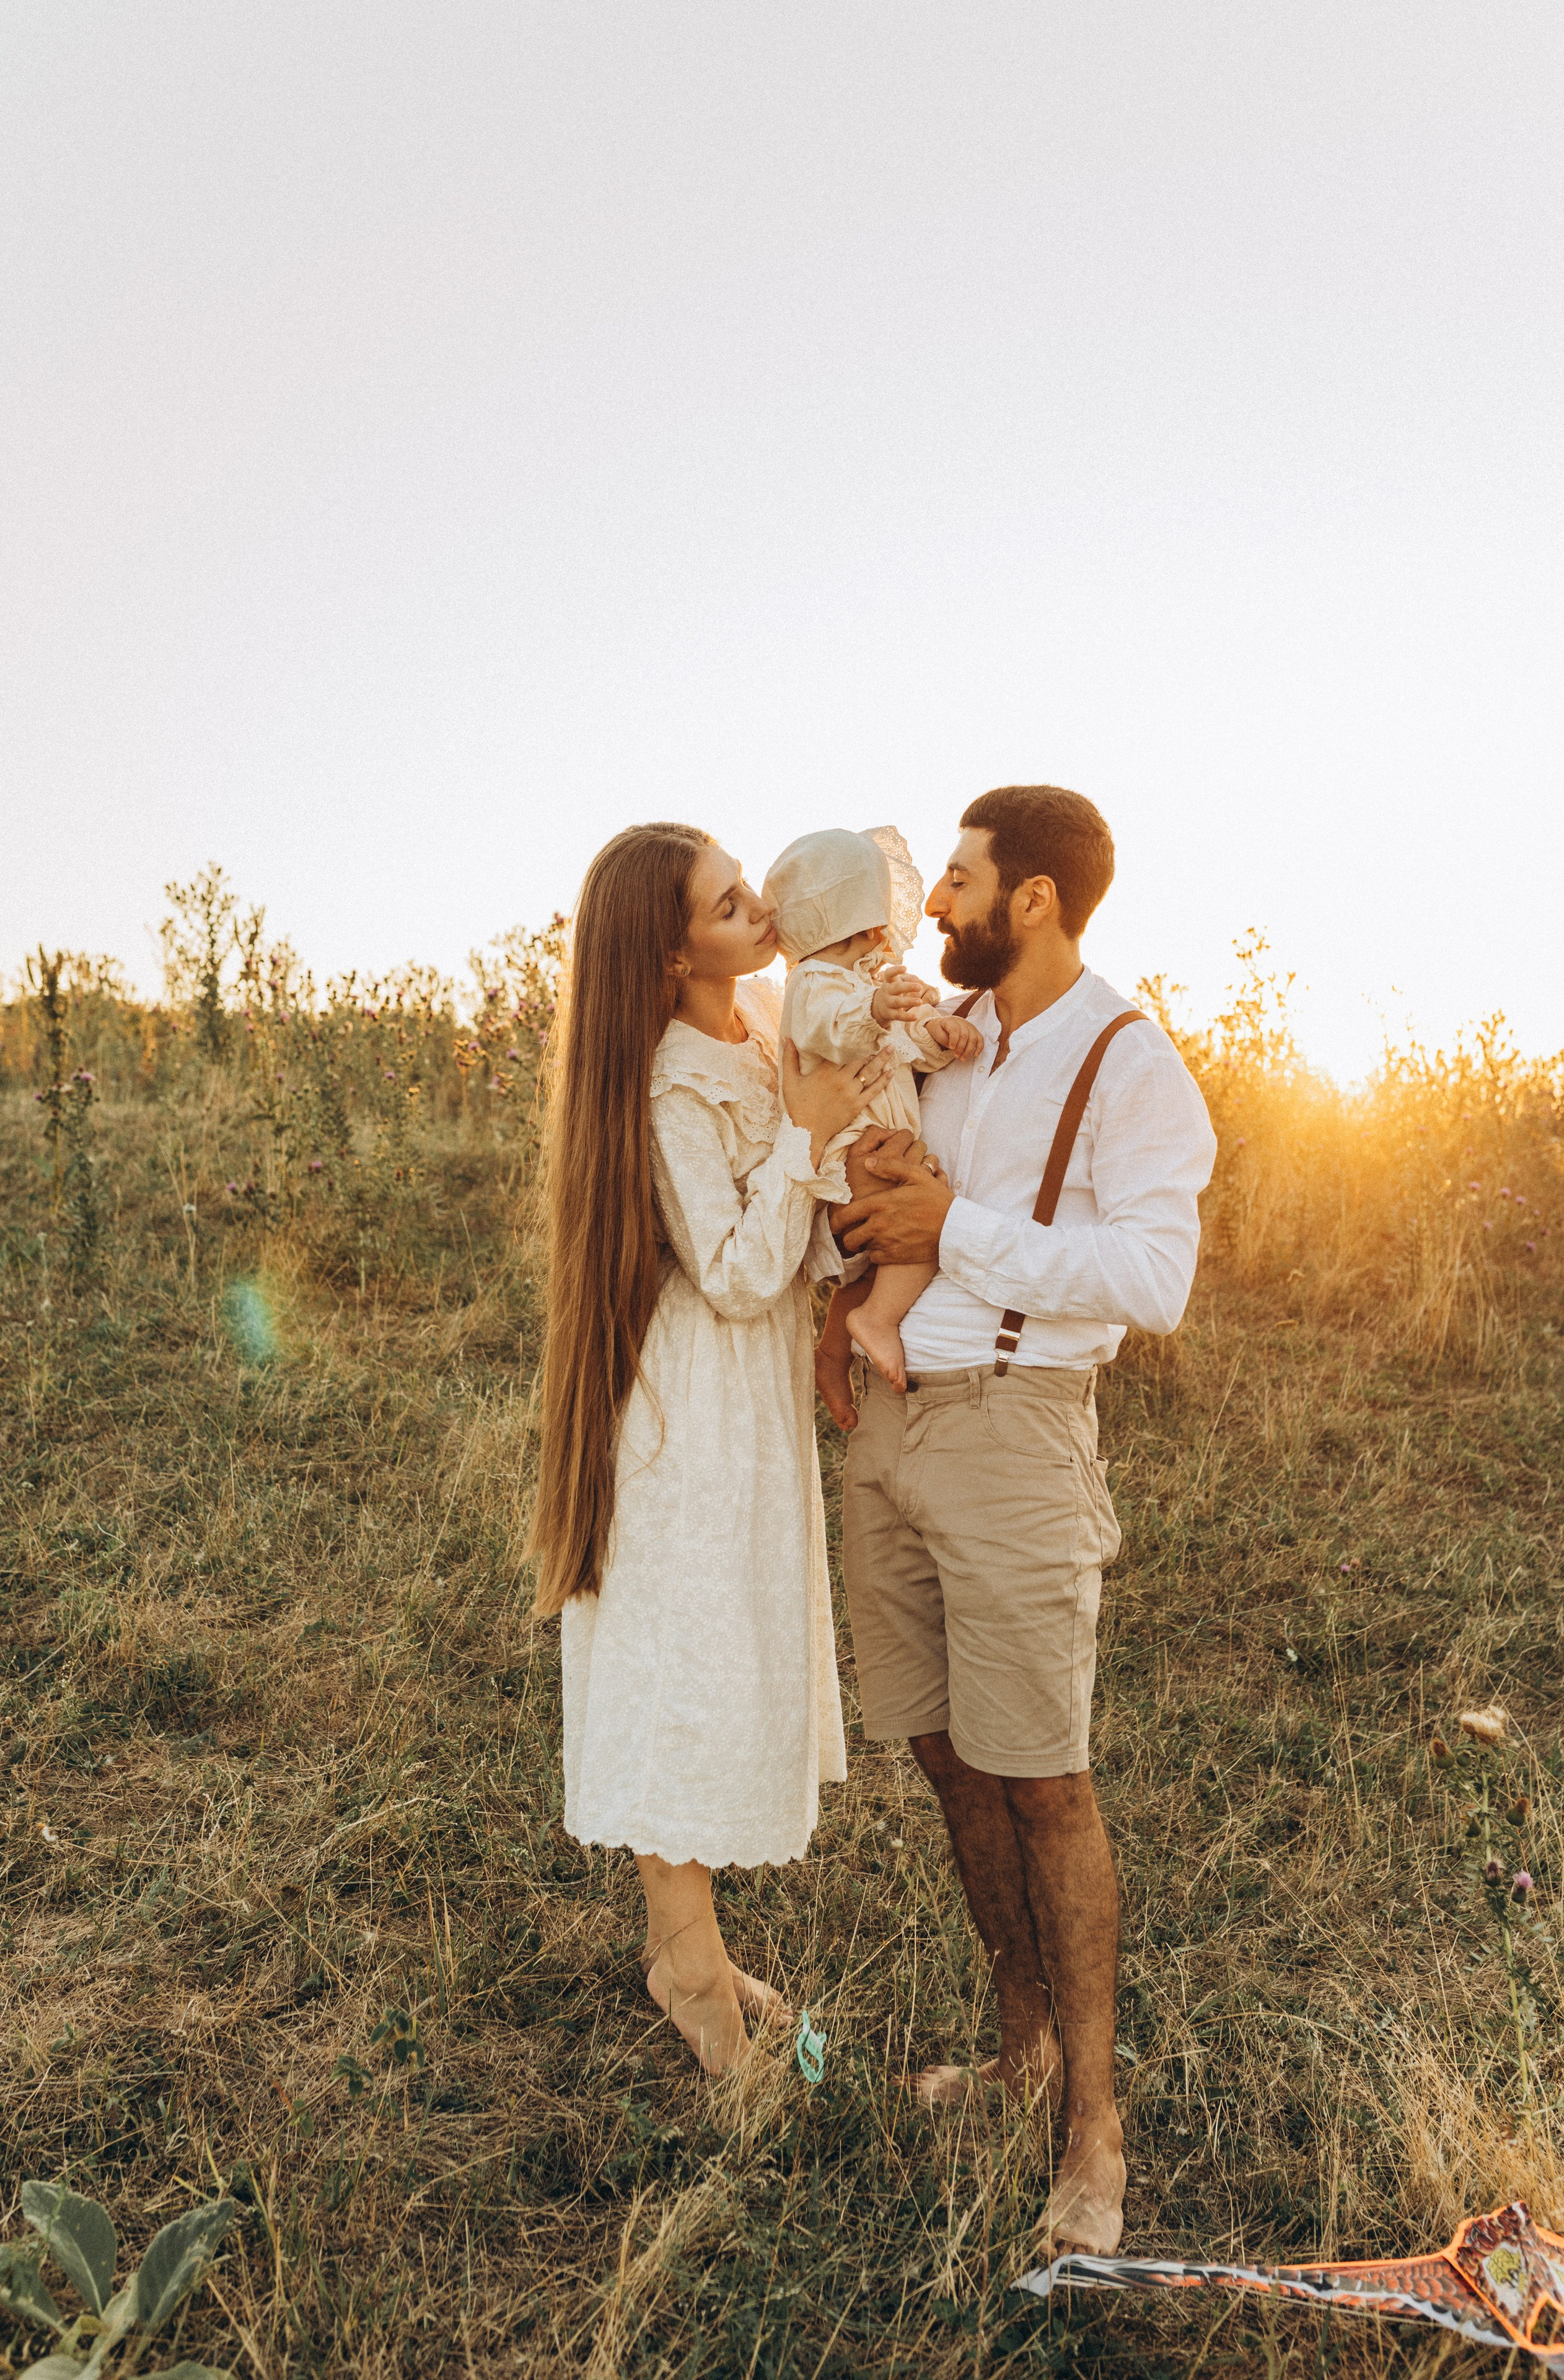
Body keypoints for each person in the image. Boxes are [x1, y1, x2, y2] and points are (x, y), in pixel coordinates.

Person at [826, 785, 1217, 2259]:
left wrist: (956, 1235)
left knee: (1042, 1777)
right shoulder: (948, 1040)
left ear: (1036, 898)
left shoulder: (1128, 1061)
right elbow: (883, 1189)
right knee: (942, 1753)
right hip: (894, 1432)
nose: (931, 907)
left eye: (956, 881)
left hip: (1016, 1433)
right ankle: (1017, 2049)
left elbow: (1150, 1277)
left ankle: (1092, 2133)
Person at [530, 822, 891, 2073]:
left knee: (728, 1644)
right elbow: (737, 1272)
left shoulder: (766, 1032)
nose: (760, 909)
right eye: (727, 903)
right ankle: (679, 1955)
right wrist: (803, 1138)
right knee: (680, 1654)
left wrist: (841, 1174)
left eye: (747, 888)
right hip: (690, 1403)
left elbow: (807, 1226)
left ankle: (697, 1941)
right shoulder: (668, 1079)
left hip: (754, 1410)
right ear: (672, 951)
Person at [762, 825, 983, 1396]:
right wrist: (877, 1008)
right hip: (850, 1148)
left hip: (878, 1141)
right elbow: (834, 1030)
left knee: (892, 1251)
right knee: (917, 1237)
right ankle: (875, 1322)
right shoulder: (812, 982)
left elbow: (904, 1049)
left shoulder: (864, 982)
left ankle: (842, 1336)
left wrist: (937, 1032)